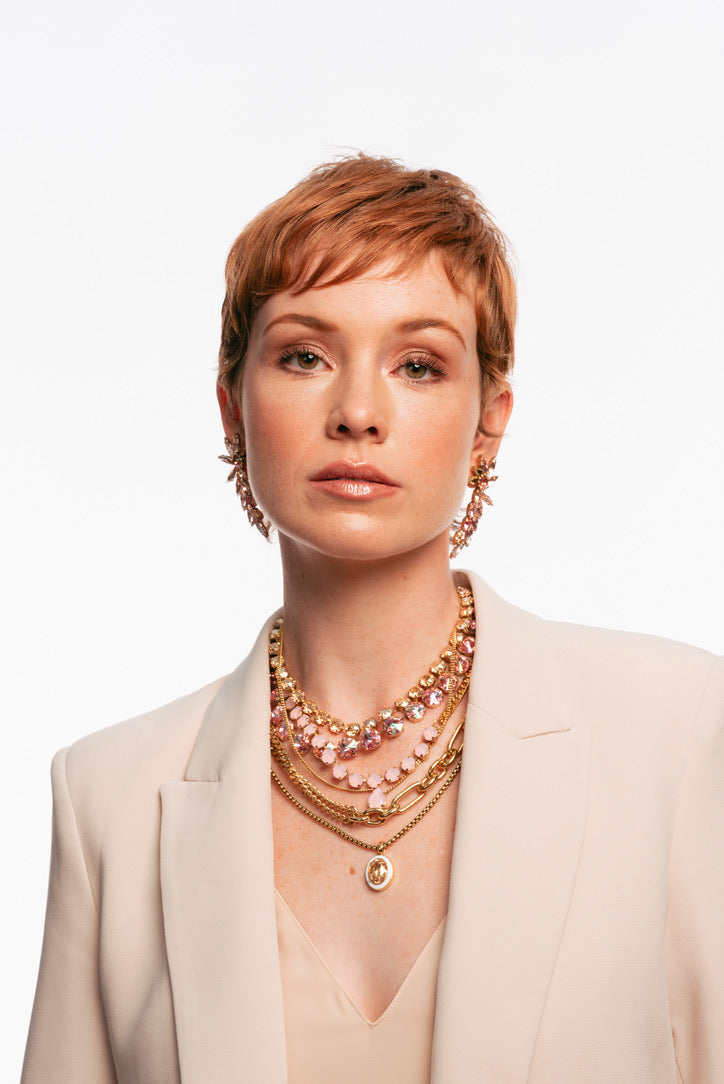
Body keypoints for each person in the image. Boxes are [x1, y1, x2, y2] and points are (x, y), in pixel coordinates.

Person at [22, 154, 724, 1084]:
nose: (358, 412)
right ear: (232, 408)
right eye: (304, 356)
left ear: (488, 423)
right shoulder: (109, 801)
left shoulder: (678, 731)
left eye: (418, 365)